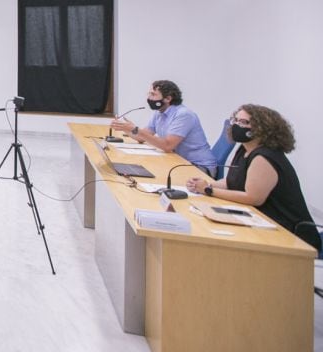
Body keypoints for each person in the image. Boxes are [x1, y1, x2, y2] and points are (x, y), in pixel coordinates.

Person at [186, 104, 321, 251]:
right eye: (236, 120)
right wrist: (206, 185)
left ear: (263, 128)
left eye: (244, 122)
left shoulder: (264, 156)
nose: (237, 125)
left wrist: (208, 190)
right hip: (262, 221)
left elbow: (253, 197)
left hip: (290, 233)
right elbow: (233, 182)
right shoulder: (245, 149)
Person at [111, 80, 215, 176]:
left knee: (154, 173)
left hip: (199, 167)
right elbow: (142, 137)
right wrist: (125, 127)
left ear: (168, 98)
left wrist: (136, 129)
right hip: (179, 161)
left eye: (153, 94)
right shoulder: (159, 112)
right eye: (149, 93)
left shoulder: (183, 115)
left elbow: (167, 146)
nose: (149, 98)